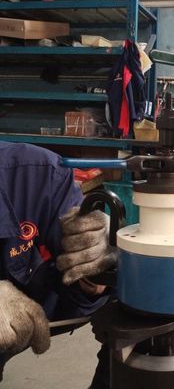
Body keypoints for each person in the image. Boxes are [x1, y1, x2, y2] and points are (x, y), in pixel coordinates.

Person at [0, 141, 116, 388]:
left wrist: (95, 266)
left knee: (151, 293)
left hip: (36, 309)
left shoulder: (38, 173)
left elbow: (76, 280)